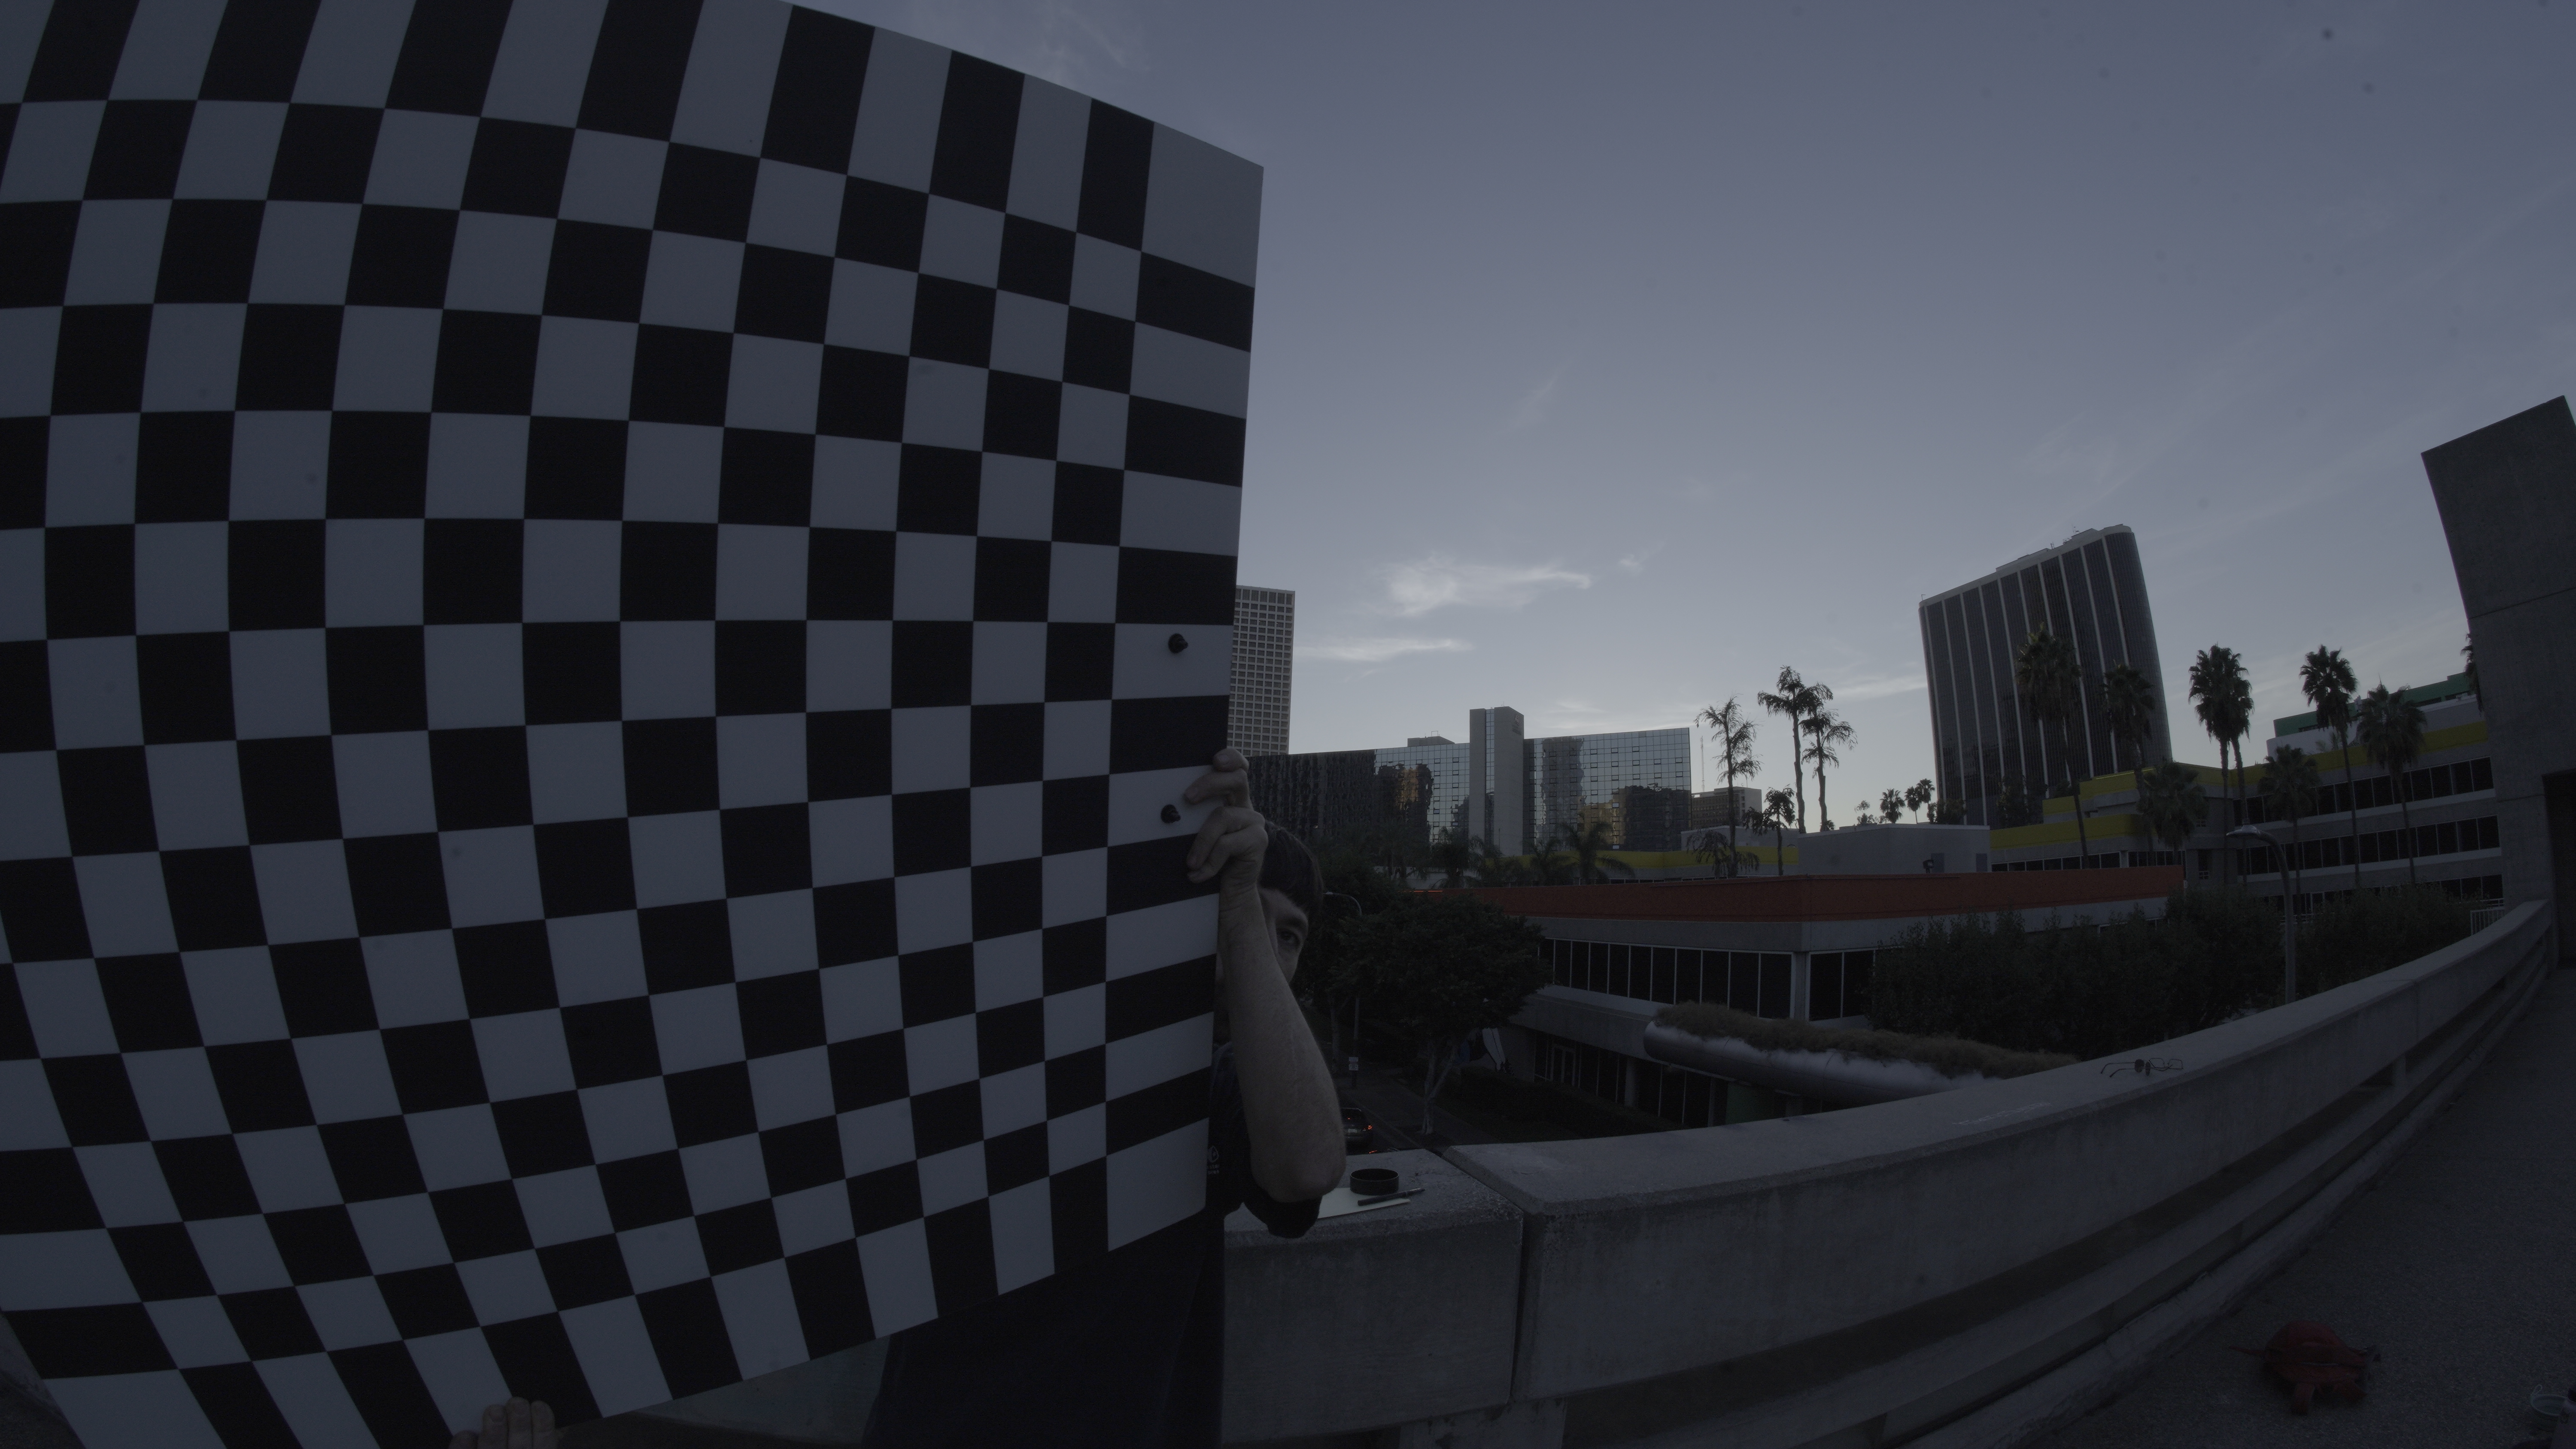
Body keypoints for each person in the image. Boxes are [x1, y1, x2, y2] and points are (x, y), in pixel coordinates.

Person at [455, 749, 1346, 1448]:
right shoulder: (1000, 1039)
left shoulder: (1222, 1089)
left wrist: (1242, 905)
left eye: (1291, 936)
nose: (1261, 950)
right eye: (1247, 917)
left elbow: (1307, 1164)